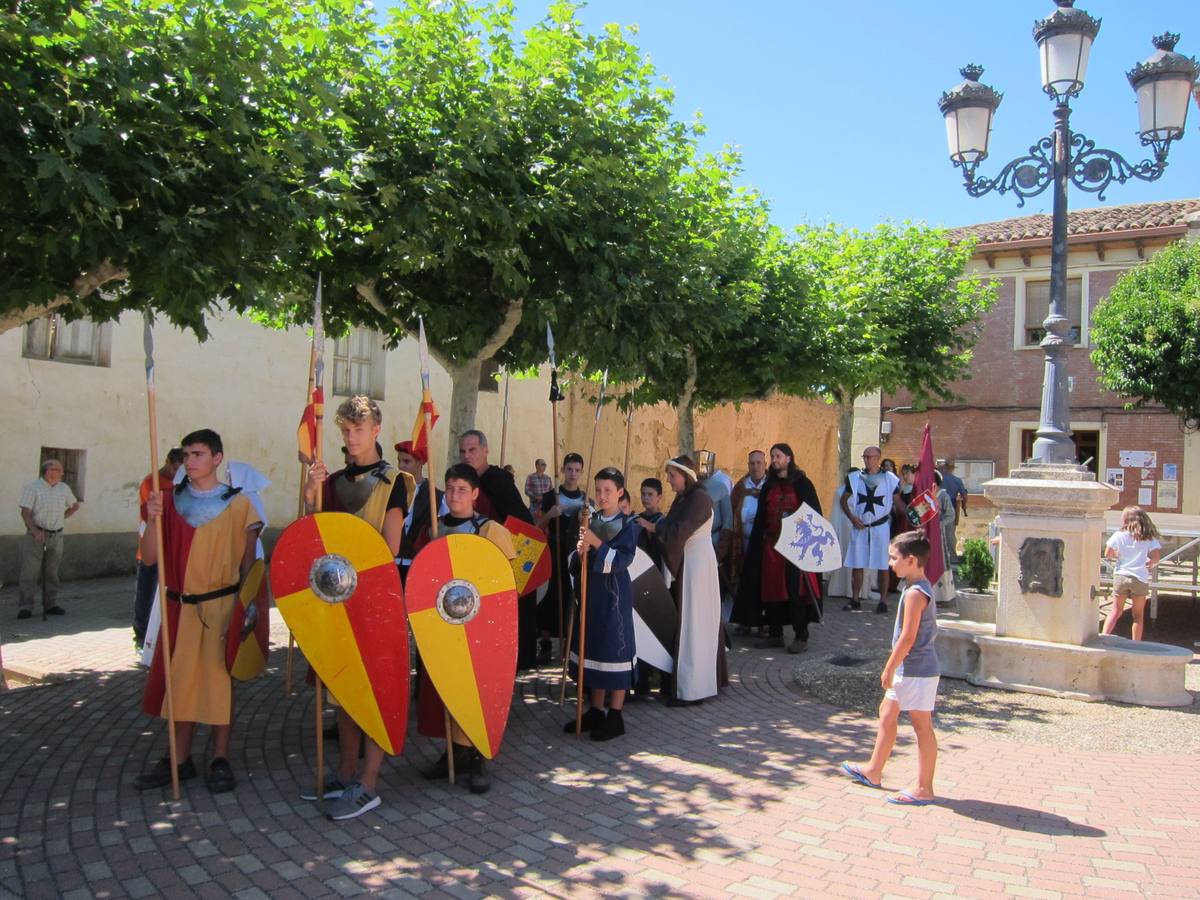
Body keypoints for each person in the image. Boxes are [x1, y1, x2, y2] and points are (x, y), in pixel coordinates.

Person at [133, 430, 262, 794]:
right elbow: (151, 557)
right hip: (179, 607)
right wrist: (154, 518)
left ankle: (220, 758)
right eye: (187, 454)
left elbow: (249, 567)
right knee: (180, 686)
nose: (190, 461)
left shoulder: (240, 506)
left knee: (220, 684)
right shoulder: (169, 502)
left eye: (198, 454)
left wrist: (246, 610)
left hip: (220, 607)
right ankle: (178, 758)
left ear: (217, 458)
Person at [302, 396, 411, 820]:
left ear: (375, 431)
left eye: (357, 430)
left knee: (376, 693)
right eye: (345, 431)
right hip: (339, 600)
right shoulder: (333, 481)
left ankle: (368, 782)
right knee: (345, 692)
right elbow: (318, 536)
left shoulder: (394, 481)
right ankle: (346, 772)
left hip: (376, 598)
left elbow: (390, 547)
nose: (350, 438)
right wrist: (312, 493)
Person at [419, 463, 516, 792]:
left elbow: (507, 581)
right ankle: (455, 752)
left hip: (479, 627)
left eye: (462, 489)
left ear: (475, 494)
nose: (454, 495)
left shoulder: (488, 530)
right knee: (448, 688)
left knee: (477, 692)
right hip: (444, 625)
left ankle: (479, 756)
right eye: (450, 489)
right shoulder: (435, 528)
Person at [840, 530, 939, 806]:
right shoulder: (914, 586)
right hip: (910, 669)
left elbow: (908, 637)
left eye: (894, 558)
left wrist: (889, 667)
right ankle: (874, 770)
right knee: (887, 712)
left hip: (916, 670)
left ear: (911, 560)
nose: (890, 563)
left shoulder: (915, 594)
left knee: (922, 726)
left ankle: (924, 787)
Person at [639, 455, 724, 706]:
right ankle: (691, 683)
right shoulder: (685, 498)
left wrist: (654, 528)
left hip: (696, 564)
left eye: (672, 475)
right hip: (691, 561)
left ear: (684, 475)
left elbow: (678, 530)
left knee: (694, 623)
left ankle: (693, 688)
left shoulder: (699, 499)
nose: (668, 480)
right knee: (690, 622)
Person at [565, 467, 640, 741]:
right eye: (598, 490)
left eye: (608, 490)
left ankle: (615, 715)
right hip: (591, 594)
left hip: (614, 597)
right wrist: (580, 552)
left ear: (620, 492)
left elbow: (622, 560)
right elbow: (575, 556)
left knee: (614, 650)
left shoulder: (628, 525)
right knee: (593, 648)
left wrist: (596, 543)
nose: (602, 495)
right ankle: (595, 709)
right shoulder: (590, 519)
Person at [732, 443, 823, 653]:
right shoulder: (769, 485)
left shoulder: (802, 483)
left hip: (795, 547)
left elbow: (813, 514)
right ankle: (775, 634)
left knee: (794, 591)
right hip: (771, 546)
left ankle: (801, 636)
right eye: (772, 457)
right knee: (771, 590)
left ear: (788, 458)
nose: (774, 460)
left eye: (778, 456)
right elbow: (762, 517)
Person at [458, 430, 537, 667]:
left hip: (501, 557)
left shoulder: (497, 481)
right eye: (463, 451)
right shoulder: (465, 482)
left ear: (485, 451)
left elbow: (520, 521)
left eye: (472, 450)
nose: (467, 456)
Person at [536, 452, 587, 665]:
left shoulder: (586, 500)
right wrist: (550, 515)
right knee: (550, 596)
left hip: (572, 553)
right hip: (553, 551)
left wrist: (583, 519)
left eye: (577, 470)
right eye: (569, 469)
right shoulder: (551, 497)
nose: (573, 474)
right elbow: (536, 527)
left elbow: (587, 531)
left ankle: (568, 648)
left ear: (581, 472)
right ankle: (546, 645)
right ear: (563, 470)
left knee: (570, 597)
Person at [17, 459, 82, 619]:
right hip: (36, 535)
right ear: (48, 471)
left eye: (61, 470)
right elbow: (25, 512)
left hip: (56, 535)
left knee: (52, 572)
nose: (61, 473)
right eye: (58, 470)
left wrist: (61, 518)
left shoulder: (64, 488)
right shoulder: (33, 488)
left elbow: (75, 506)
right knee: (29, 572)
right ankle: (25, 607)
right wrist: (35, 530)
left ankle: (50, 604)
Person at [841, 446, 903, 614]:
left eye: (870, 457)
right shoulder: (854, 478)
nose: (867, 460)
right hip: (860, 526)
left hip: (880, 527)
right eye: (865, 457)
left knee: (883, 564)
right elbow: (843, 500)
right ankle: (855, 599)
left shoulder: (890, 479)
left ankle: (883, 601)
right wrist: (852, 518)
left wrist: (912, 513)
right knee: (857, 563)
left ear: (878, 457)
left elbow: (898, 503)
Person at [133, 449, 184, 648]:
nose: (175, 474)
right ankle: (140, 637)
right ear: (167, 462)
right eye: (174, 468)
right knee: (145, 596)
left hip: (170, 550)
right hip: (151, 549)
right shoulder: (150, 483)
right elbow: (150, 516)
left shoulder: (179, 482)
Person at [1102, 506, 1162, 642]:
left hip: (1121, 575)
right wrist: (1151, 563)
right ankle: (1136, 644)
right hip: (1140, 577)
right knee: (1138, 615)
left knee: (1116, 611)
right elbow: (1156, 555)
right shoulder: (1148, 536)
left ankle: (1104, 638)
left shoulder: (1119, 534)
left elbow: (1108, 553)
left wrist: (1118, 554)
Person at [729, 451, 768, 635]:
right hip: (742, 543)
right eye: (752, 463)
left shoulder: (772, 486)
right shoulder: (741, 487)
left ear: (765, 464)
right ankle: (745, 620)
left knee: (763, 583)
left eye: (759, 462)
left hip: (765, 544)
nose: (755, 466)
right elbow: (731, 510)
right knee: (744, 582)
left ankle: (764, 623)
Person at [697, 450, 734, 622]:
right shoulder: (691, 488)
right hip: (695, 541)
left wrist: (723, 546)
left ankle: (715, 620)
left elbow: (728, 519)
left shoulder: (720, 487)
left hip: (715, 539)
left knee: (716, 584)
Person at [939, 460, 969, 563]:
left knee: (945, 535)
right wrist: (964, 507)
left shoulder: (934, 479)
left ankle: (946, 558)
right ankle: (952, 558)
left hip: (937, 509)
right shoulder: (957, 480)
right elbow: (964, 496)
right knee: (950, 534)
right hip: (950, 508)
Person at [637, 477, 665, 569]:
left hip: (655, 567)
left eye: (650, 494)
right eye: (643, 494)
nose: (646, 498)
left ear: (659, 497)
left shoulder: (663, 522)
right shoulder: (637, 518)